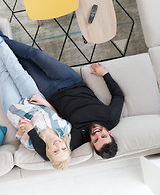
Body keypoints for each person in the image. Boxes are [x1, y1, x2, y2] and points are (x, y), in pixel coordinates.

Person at [0, 31, 124, 159]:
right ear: (111, 134)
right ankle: (2, 40)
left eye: (96, 140)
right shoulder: (112, 118)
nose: (97, 133)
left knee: (22, 64)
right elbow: (118, 96)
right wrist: (105, 74)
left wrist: (32, 129)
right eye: (103, 136)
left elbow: (46, 155)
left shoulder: (79, 137)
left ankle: (2, 41)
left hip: (49, 92)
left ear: (92, 145)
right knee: (34, 54)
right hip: (71, 81)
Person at [0, 36, 72, 170]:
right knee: (16, 69)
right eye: (63, 148)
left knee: (3, 74)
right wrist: (44, 102)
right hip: (35, 98)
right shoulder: (65, 129)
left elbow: (19, 135)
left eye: (56, 151)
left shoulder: (33, 144)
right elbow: (56, 114)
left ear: (49, 152)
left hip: (15, 108)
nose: (58, 145)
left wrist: (25, 128)